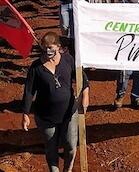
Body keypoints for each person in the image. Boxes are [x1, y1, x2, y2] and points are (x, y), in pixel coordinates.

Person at [21, 32, 89, 172]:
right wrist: (25, 113)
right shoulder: (36, 67)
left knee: (70, 145)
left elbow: (82, 78)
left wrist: (85, 94)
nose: (48, 51)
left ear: (58, 47)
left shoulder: (68, 60)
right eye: (45, 47)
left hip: (69, 113)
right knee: (51, 149)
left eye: (51, 48)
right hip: (46, 117)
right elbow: (29, 91)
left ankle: (68, 169)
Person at [113, 0, 139, 110]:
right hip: (127, 45)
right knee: (124, 73)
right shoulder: (123, 7)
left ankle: (136, 98)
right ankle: (120, 96)